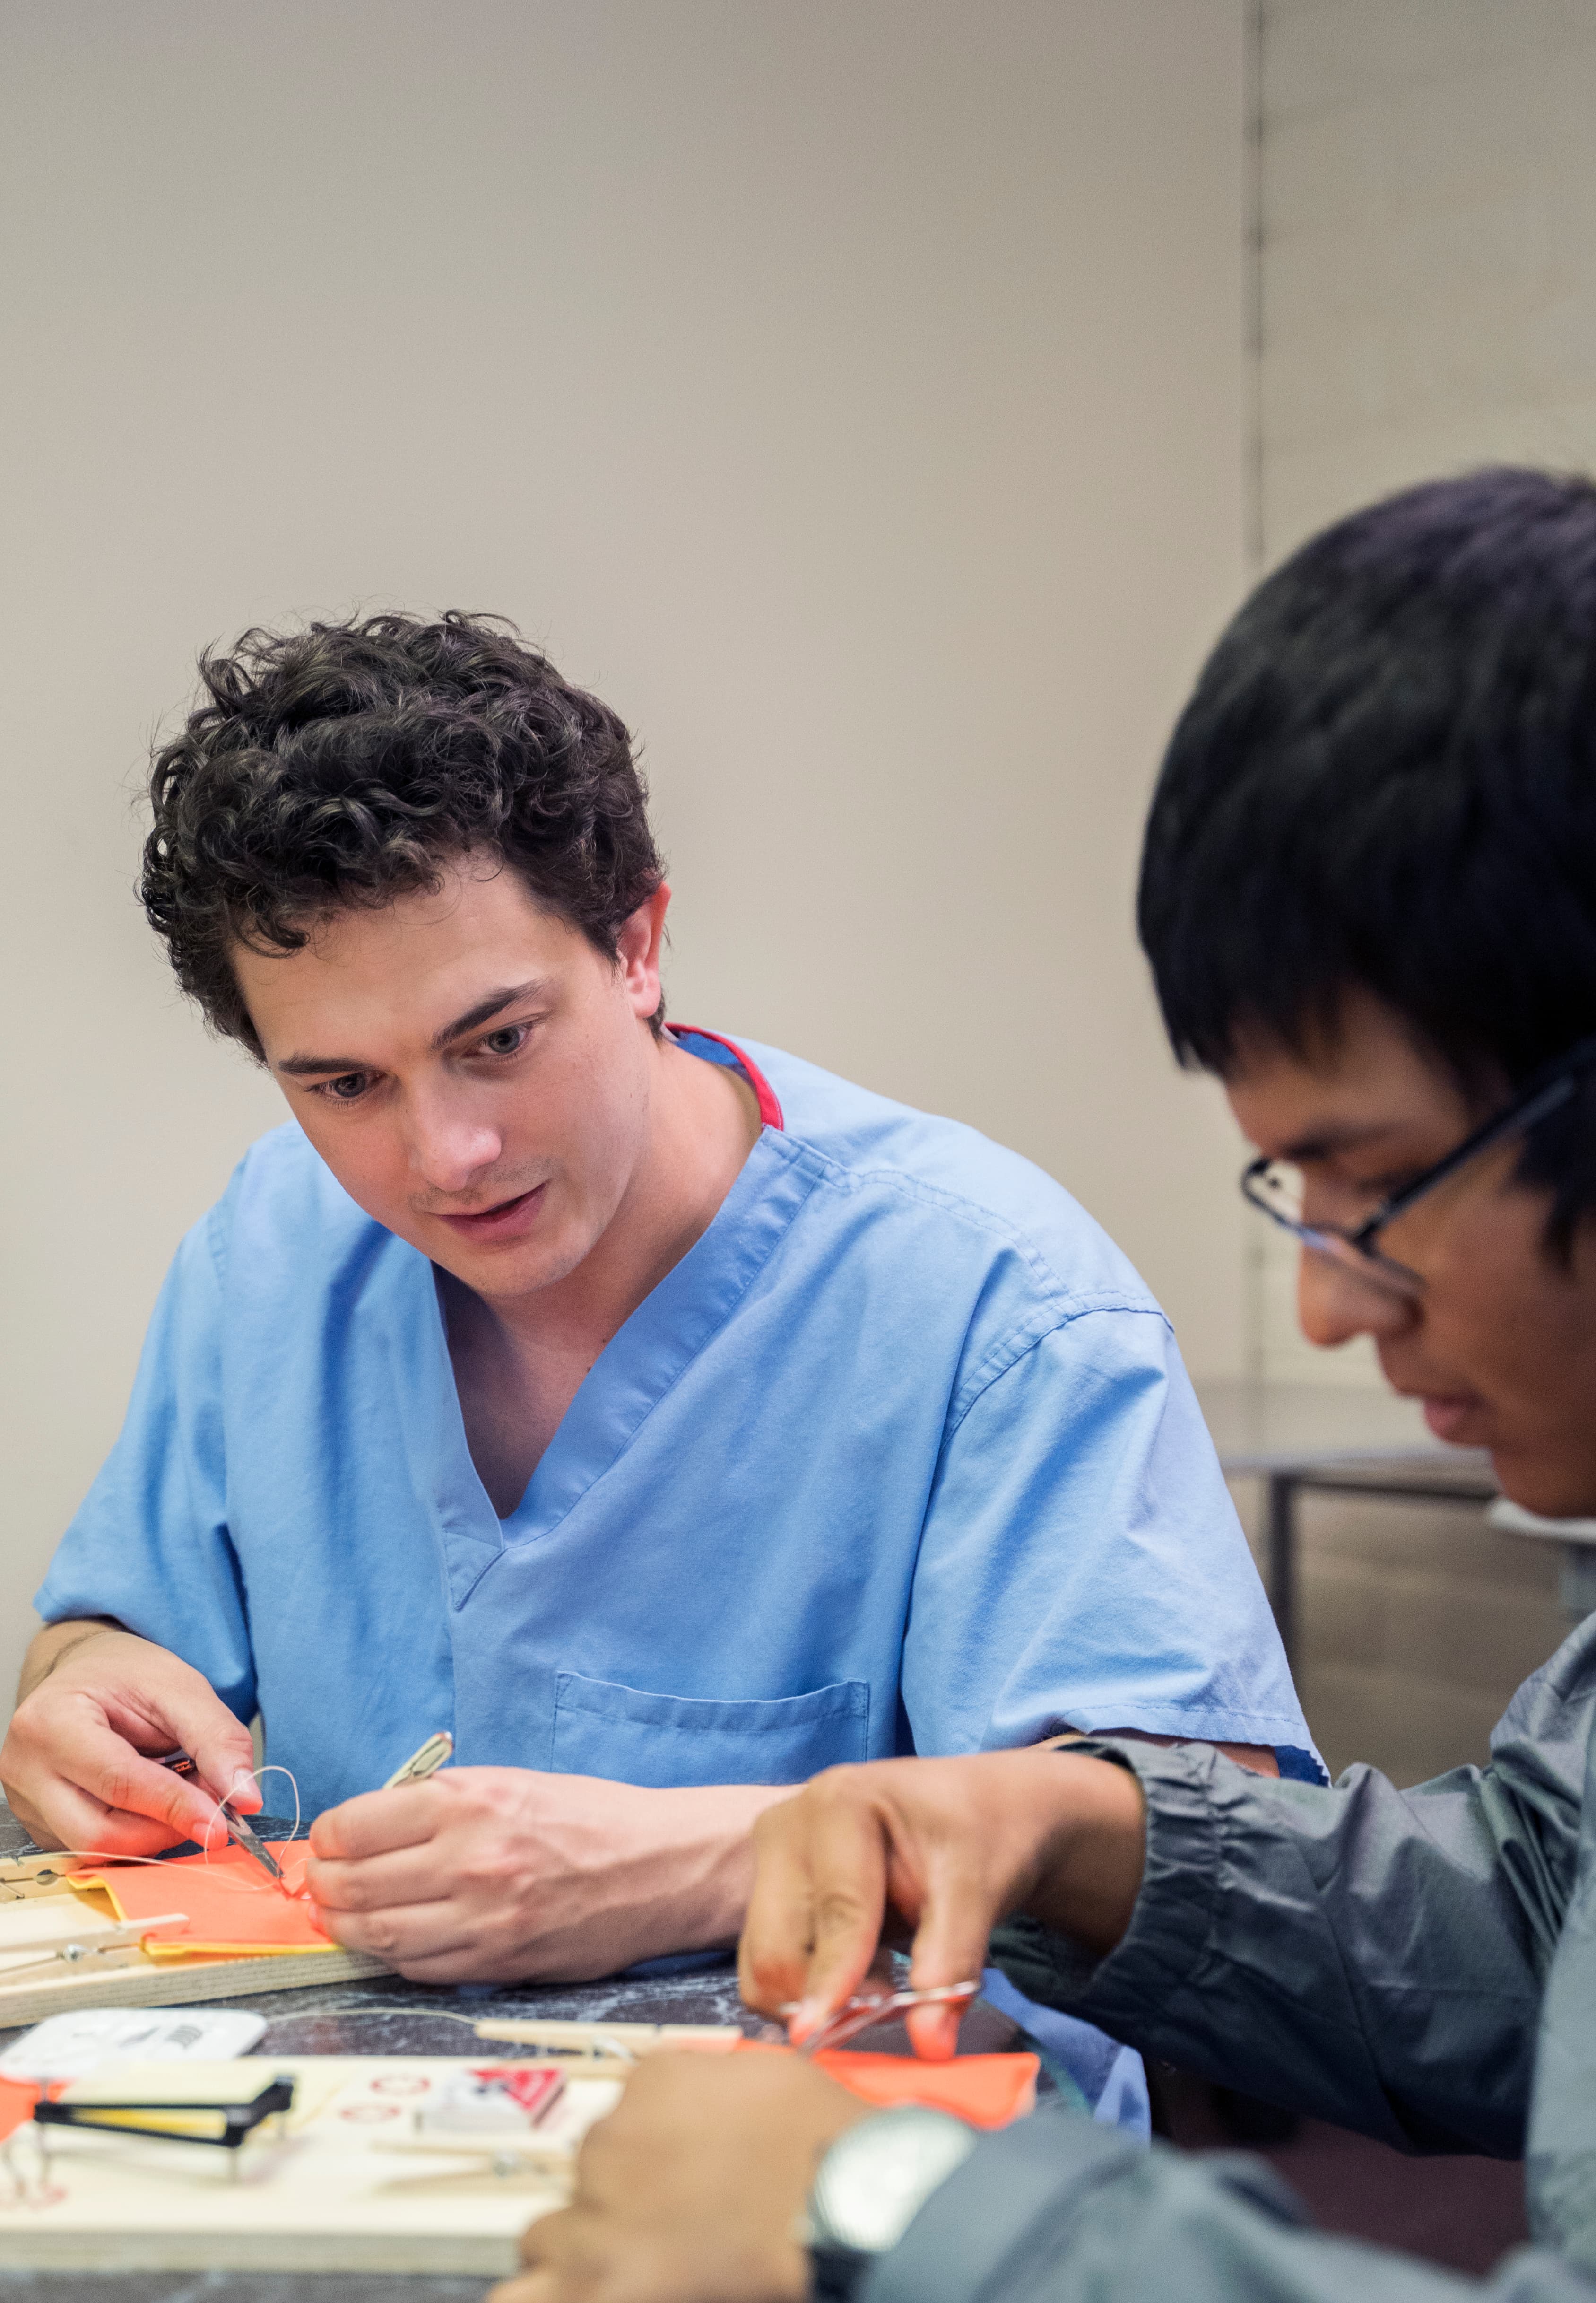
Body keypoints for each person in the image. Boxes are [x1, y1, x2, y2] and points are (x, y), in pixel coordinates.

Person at [487, 468, 1596, 2303]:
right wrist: (1096, 1837)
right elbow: (1542, 1915)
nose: (1318, 1301)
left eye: (1371, 1185)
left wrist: (870, 2209)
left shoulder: (973, 1280)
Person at [0, 615, 1305, 1986]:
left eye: (496, 1041)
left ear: (638, 946)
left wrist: (712, 1862)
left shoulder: (995, 1303)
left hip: (862, 2161)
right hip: (358, 2136)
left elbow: (1209, 1861)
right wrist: (77, 1690)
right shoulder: (273, 1250)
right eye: (343, 1086)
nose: (445, 1156)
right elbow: (123, 1627)